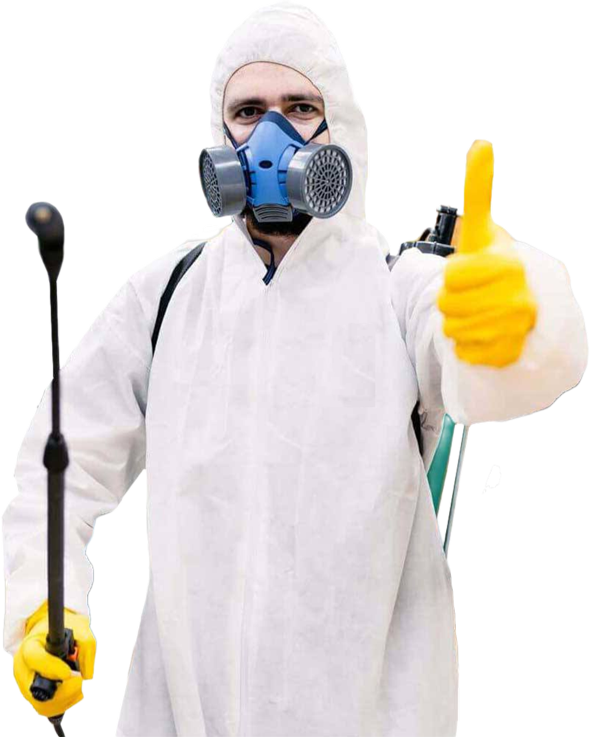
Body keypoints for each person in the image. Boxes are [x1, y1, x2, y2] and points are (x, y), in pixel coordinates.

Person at [1, 2, 589, 737]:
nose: (271, 138)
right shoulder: (170, 294)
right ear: (219, 136)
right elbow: (60, 463)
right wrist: (44, 606)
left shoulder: (397, 289)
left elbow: (500, 376)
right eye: (248, 112)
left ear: (340, 127)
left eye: (301, 108)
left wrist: (519, 315)